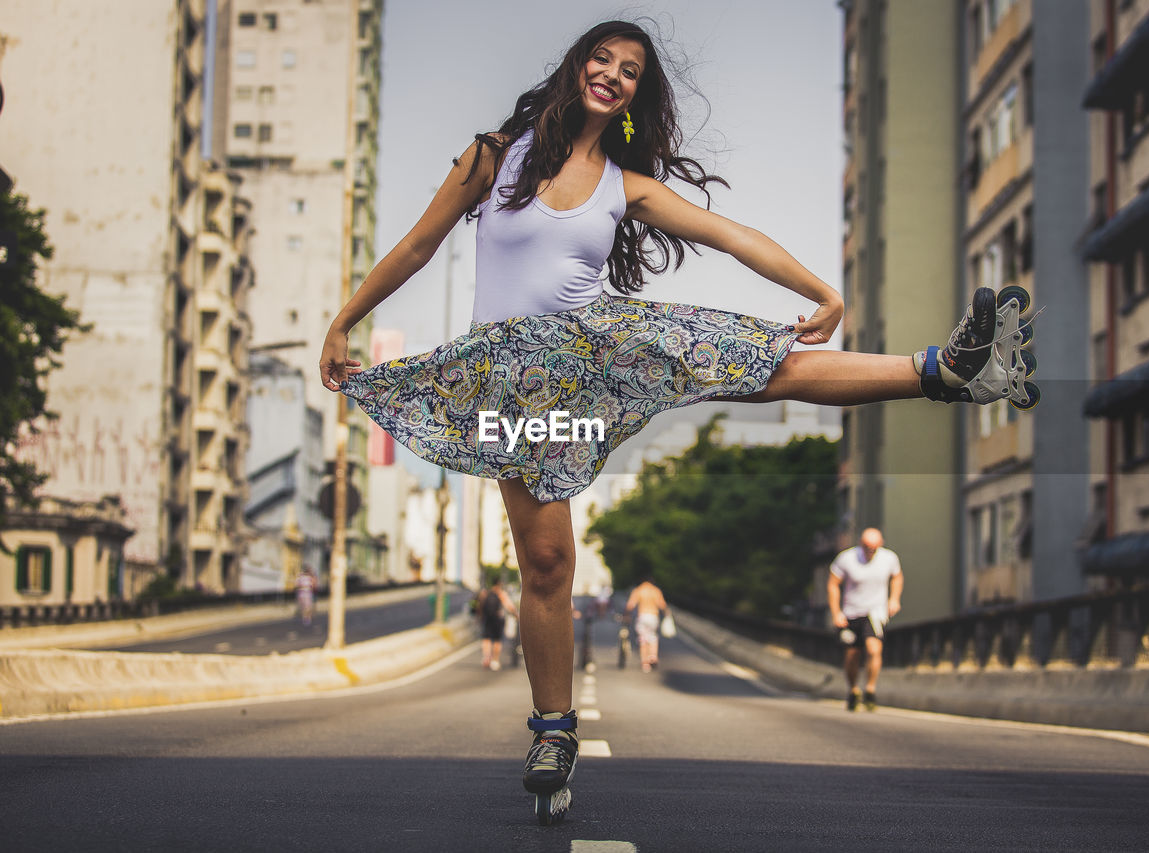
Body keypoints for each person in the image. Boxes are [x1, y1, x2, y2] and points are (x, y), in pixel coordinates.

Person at [318, 20, 1030, 822]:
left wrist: (824, 292)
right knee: (547, 562)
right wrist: (347, 319)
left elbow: (732, 236)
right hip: (513, 381)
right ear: (576, 66)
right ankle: (554, 731)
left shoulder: (626, 185)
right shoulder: (494, 154)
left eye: (630, 72)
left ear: (634, 99)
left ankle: (950, 371)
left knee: (758, 357)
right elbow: (418, 246)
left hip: (599, 349)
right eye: (604, 60)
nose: (614, 76)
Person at [828, 528, 903, 712]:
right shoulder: (846, 559)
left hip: (875, 612)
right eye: (867, 547)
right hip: (851, 612)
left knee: (873, 648)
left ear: (881, 544)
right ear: (861, 544)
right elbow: (833, 584)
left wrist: (894, 599)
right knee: (852, 655)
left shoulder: (889, 558)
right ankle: (853, 690)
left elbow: (897, 578)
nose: (870, 551)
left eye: (874, 548)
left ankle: (870, 689)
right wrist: (836, 612)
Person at [624, 576, 669, 673]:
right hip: (653, 616)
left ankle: (645, 663)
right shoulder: (655, 591)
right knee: (653, 637)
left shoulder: (639, 590)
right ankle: (653, 655)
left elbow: (630, 605)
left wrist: (627, 615)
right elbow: (662, 604)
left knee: (643, 639)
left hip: (643, 616)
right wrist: (667, 615)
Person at [476, 575, 518, 671]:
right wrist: (516, 614)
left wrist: (479, 617)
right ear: (499, 583)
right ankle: (495, 660)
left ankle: (486, 657)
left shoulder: (485, 593)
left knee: (486, 639)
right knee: (497, 640)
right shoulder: (501, 593)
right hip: (497, 619)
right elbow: (509, 606)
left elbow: (479, 606)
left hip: (487, 619)